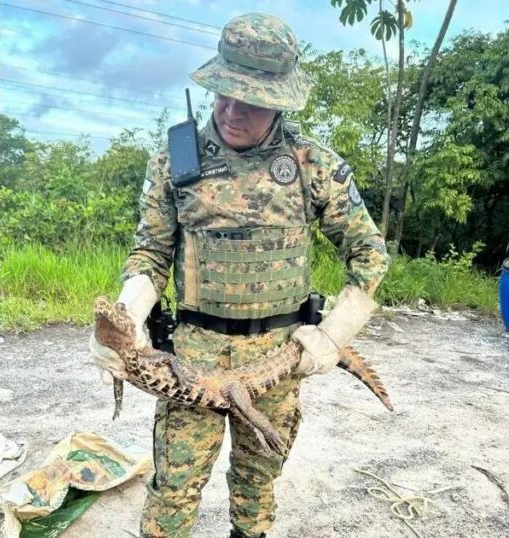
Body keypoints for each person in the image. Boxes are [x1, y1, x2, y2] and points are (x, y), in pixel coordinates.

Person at [90, 12, 389, 538]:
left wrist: (333, 335)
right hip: (191, 358)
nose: (232, 111)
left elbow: (369, 253)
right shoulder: (175, 159)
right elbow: (151, 251)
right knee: (174, 487)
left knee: (257, 485)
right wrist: (129, 317)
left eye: (250, 100)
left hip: (278, 357)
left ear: (279, 100)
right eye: (224, 93)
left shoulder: (311, 165)